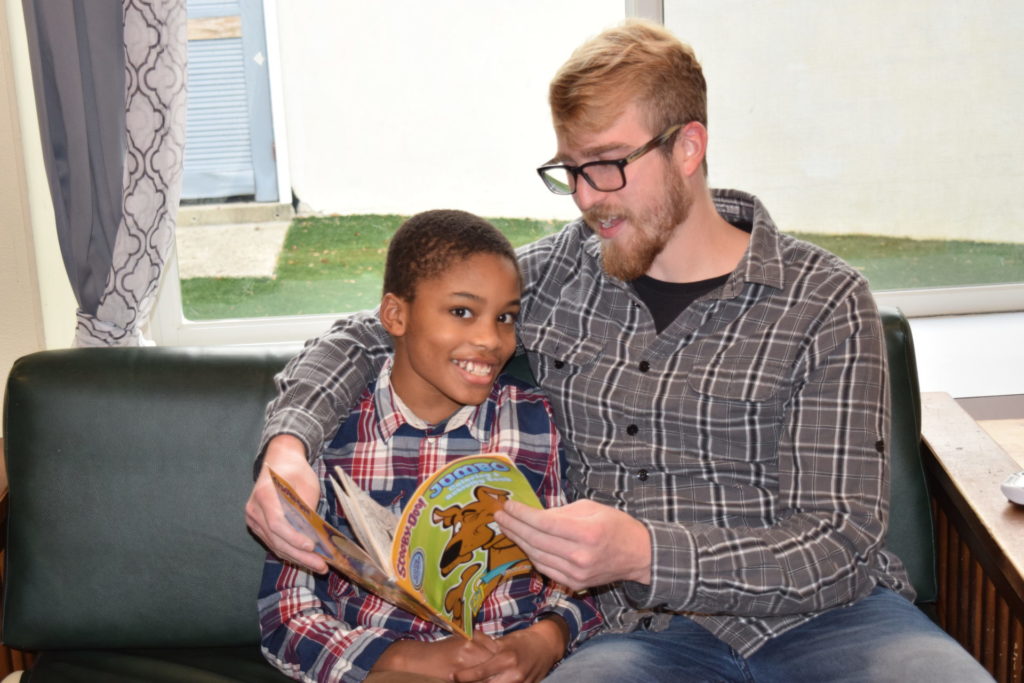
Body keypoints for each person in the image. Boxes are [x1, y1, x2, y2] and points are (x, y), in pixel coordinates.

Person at [247, 20, 992, 683]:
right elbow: (365, 332)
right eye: (570, 169)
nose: (586, 197)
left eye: (606, 164)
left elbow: (838, 539)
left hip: (837, 623)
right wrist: (287, 446)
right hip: (638, 636)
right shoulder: (555, 276)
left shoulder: (825, 301)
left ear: (689, 147)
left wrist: (642, 552)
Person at [257, 209, 601, 683]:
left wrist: (546, 638)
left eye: (505, 318)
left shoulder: (538, 422)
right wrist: (404, 660)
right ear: (396, 315)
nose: (490, 339)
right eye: (462, 312)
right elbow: (288, 612)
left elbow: (588, 578)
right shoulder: (328, 436)